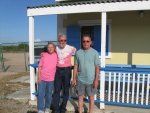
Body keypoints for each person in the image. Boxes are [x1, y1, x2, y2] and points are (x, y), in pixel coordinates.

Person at [72, 34, 100, 113]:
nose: (85, 43)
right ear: (82, 42)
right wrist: (74, 78)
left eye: (87, 41)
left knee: (91, 98)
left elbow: (97, 67)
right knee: (80, 97)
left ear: (90, 42)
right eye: (84, 41)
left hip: (91, 80)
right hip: (80, 79)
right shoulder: (78, 52)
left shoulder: (95, 53)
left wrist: (96, 80)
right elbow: (76, 66)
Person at [52, 34, 76, 113]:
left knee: (66, 90)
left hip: (67, 71)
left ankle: (63, 108)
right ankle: (56, 109)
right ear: (58, 41)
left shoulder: (71, 48)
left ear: (66, 41)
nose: (62, 42)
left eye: (64, 40)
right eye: (61, 40)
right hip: (58, 70)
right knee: (57, 90)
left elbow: (79, 55)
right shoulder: (55, 48)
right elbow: (48, 52)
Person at [38, 42, 57, 113]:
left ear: (54, 48)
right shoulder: (44, 55)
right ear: (47, 48)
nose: (50, 48)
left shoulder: (56, 55)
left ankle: (47, 108)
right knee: (40, 94)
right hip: (42, 78)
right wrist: (39, 77)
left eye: (52, 47)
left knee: (49, 94)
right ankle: (40, 109)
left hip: (51, 79)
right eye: (49, 47)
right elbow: (40, 67)